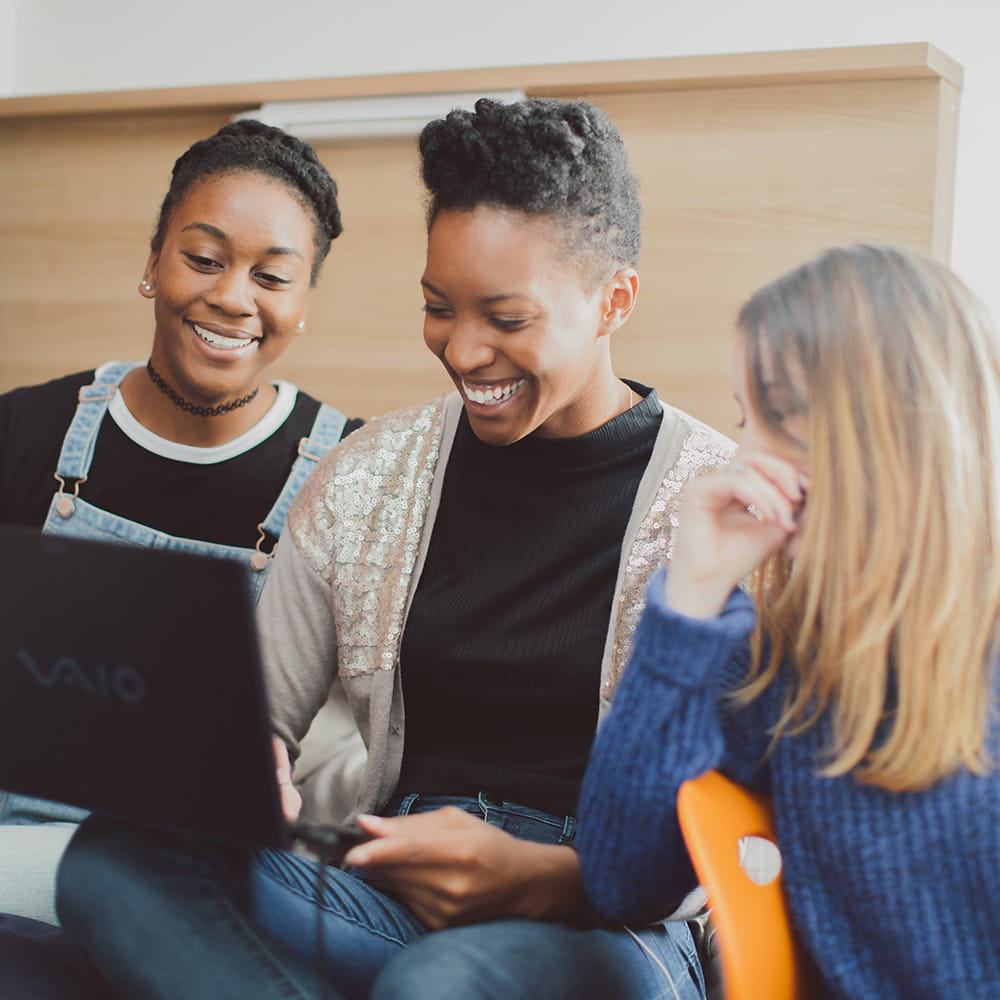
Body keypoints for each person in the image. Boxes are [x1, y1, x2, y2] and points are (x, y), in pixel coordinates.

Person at [56, 96, 735, 1000]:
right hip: (396, 893)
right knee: (113, 858)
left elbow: (751, 822)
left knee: (440, 983)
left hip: (608, 919)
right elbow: (253, 711)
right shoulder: (370, 474)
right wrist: (247, 757)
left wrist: (546, 876)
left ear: (614, 299)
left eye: (506, 317)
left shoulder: (724, 509)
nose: (462, 349)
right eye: (437, 306)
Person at [575, 244, 1000, 1000]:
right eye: (747, 419)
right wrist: (694, 599)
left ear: (890, 423)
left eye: (778, 418)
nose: (746, 457)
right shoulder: (783, 665)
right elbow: (622, 880)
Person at [0, 118, 366, 932]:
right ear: (152, 262)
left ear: (303, 303)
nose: (233, 297)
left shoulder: (351, 473)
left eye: (272, 277)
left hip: (208, 879)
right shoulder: (25, 435)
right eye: (203, 259)